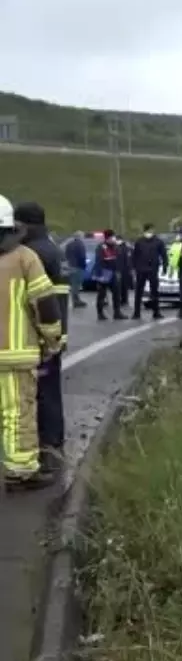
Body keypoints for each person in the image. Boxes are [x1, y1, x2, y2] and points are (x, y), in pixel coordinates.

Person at [0, 194, 65, 491]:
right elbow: (45, 303)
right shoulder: (24, 258)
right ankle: (21, 470)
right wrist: (53, 339)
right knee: (17, 413)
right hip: (14, 354)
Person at [130, 223, 166, 320]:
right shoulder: (139, 242)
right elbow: (134, 256)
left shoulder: (158, 242)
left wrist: (165, 267)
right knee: (139, 292)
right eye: (149, 231)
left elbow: (164, 255)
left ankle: (156, 312)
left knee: (154, 292)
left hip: (153, 270)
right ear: (145, 231)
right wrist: (133, 268)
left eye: (152, 231)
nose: (151, 232)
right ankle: (136, 313)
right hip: (141, 270)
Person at [92, 230, 126, 320]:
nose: (114, 239)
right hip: (104, 273)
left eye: (114, 237)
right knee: (101, 295)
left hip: (113, 273)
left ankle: (117, 313)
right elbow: (98, 260)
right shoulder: (101, 247)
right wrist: (99, 274)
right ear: (107, 238)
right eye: (112, 237)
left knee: (117, 293)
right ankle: (100, 314)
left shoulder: (115, 247)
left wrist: (119, 271)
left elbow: (118, 259)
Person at [62, 230, 88, 309]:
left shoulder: (69, 244)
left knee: (73, 284)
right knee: (76, 284)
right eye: (82, 236)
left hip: (70, 266)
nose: (83, 237)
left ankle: (76, 300)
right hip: (78, 266)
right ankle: (76, 301)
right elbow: (82, 256)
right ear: (79, 236)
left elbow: (65, 254)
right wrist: (83, 266)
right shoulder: (80, 244)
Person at [115, 234, 133, 308]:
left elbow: (129, 259)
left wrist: (130, 269)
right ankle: (120, 300)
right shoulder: (115, 247)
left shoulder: (126, 248)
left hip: (124, 269)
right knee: (118, 286)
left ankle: (124, 300)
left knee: (124, 286)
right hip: (119, 269)